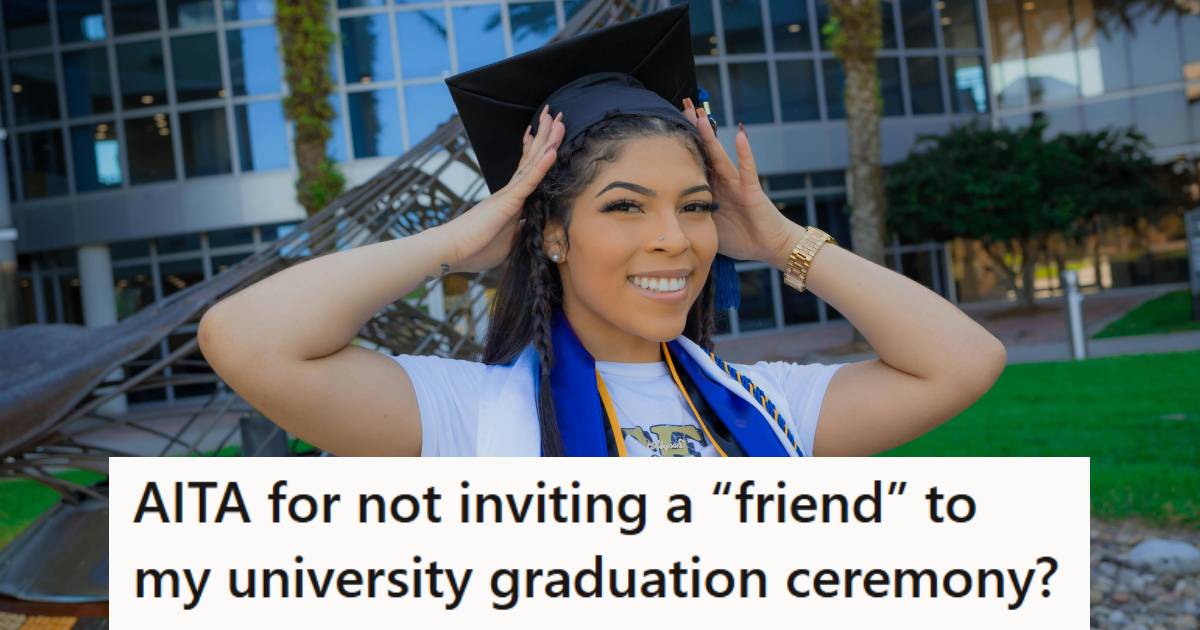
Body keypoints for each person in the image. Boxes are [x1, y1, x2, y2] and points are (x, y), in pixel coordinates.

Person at [197, 5, 1006, 458]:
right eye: (625, 206)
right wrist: (456, 242)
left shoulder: (767, 404)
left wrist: (777, 238)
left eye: (694, 206)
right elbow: (246, 338)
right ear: (551, 233)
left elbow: (965, 362)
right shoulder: (464, 420)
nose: (673, 239)